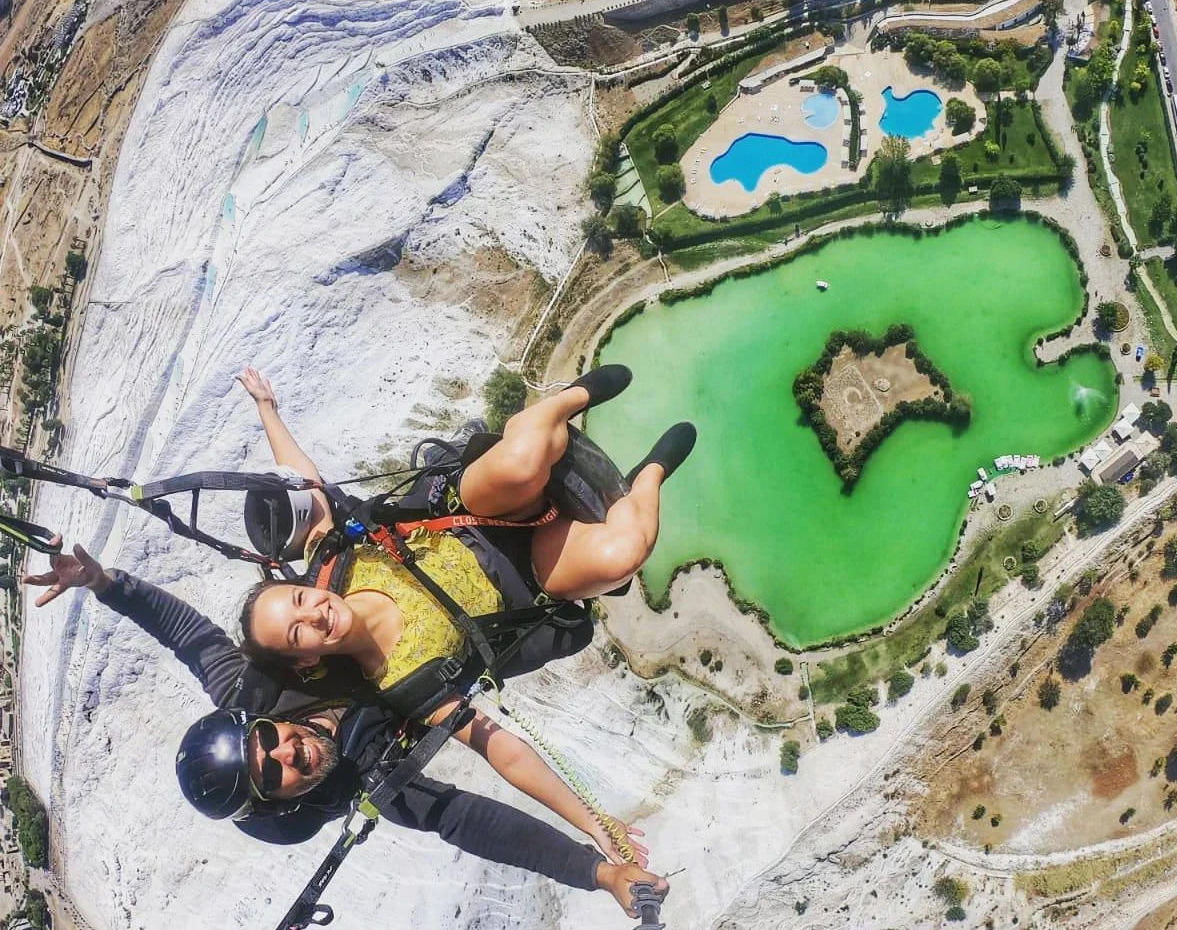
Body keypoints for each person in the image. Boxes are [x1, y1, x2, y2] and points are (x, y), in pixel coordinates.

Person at [26, 544, 670, 917]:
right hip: (458, 655)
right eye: (276, 774)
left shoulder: (250, 692)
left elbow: (189, 637)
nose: (289, 750)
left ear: (256, 724)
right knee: (576, 615)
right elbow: (468, 820)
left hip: (398, 600)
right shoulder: (367, 781)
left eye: (267, 742)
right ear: (286, 800)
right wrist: (599, 871)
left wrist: (104, 583)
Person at [233, 365, 695, 696]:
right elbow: (500, 754)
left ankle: (573, 396)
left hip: (464, 514)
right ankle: (650, 475)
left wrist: (267, 409)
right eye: (298, 635)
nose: (313, 614)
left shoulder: (329, 565)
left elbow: (306, 482)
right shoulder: (397, 681)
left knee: (522, 460)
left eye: (297, 601)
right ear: (308, 660)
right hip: (525, 581)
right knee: (622, 556)